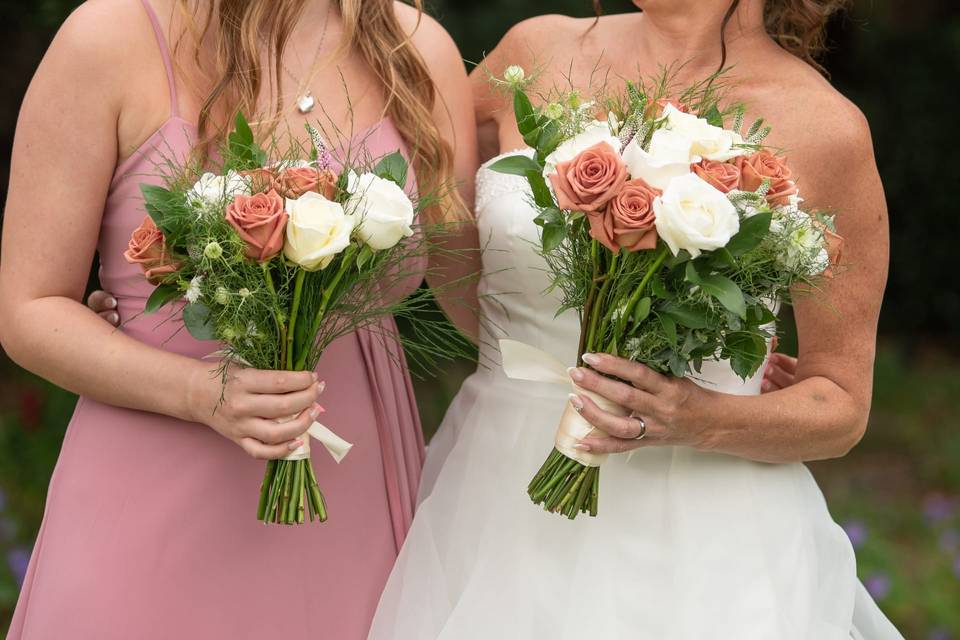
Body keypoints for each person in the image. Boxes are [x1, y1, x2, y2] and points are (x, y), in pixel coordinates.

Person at [368, 1, 902, 638]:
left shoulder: (823, 125)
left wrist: (702, 414)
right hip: (491, 491)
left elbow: (840, 406)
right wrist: (518, 357)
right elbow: (450, 232)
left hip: (701, 535)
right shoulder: (533, 51)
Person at [0, 0, 477, 637]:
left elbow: (483, 296)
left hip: (352, 498)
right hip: (150, 492)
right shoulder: (109, 35)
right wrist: (203, 393)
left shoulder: (418, 50)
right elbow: (29, 310)